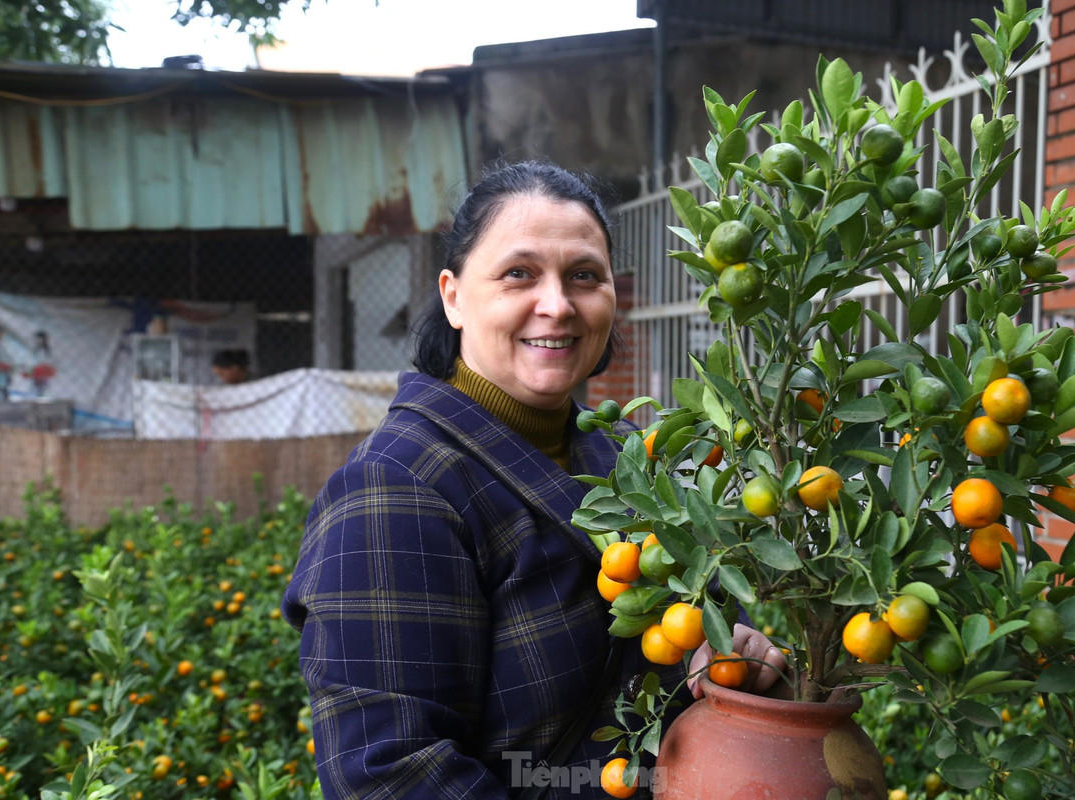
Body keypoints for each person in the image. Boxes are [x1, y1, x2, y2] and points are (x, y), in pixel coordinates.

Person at [281, 161, 783, 800]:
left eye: (584, 276)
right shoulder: (394, 487)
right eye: (519, 273)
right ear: (453, 296)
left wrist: (730, 653)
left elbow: (697, 630)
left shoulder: (627, 458)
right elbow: (391, 774)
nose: (558, 304)